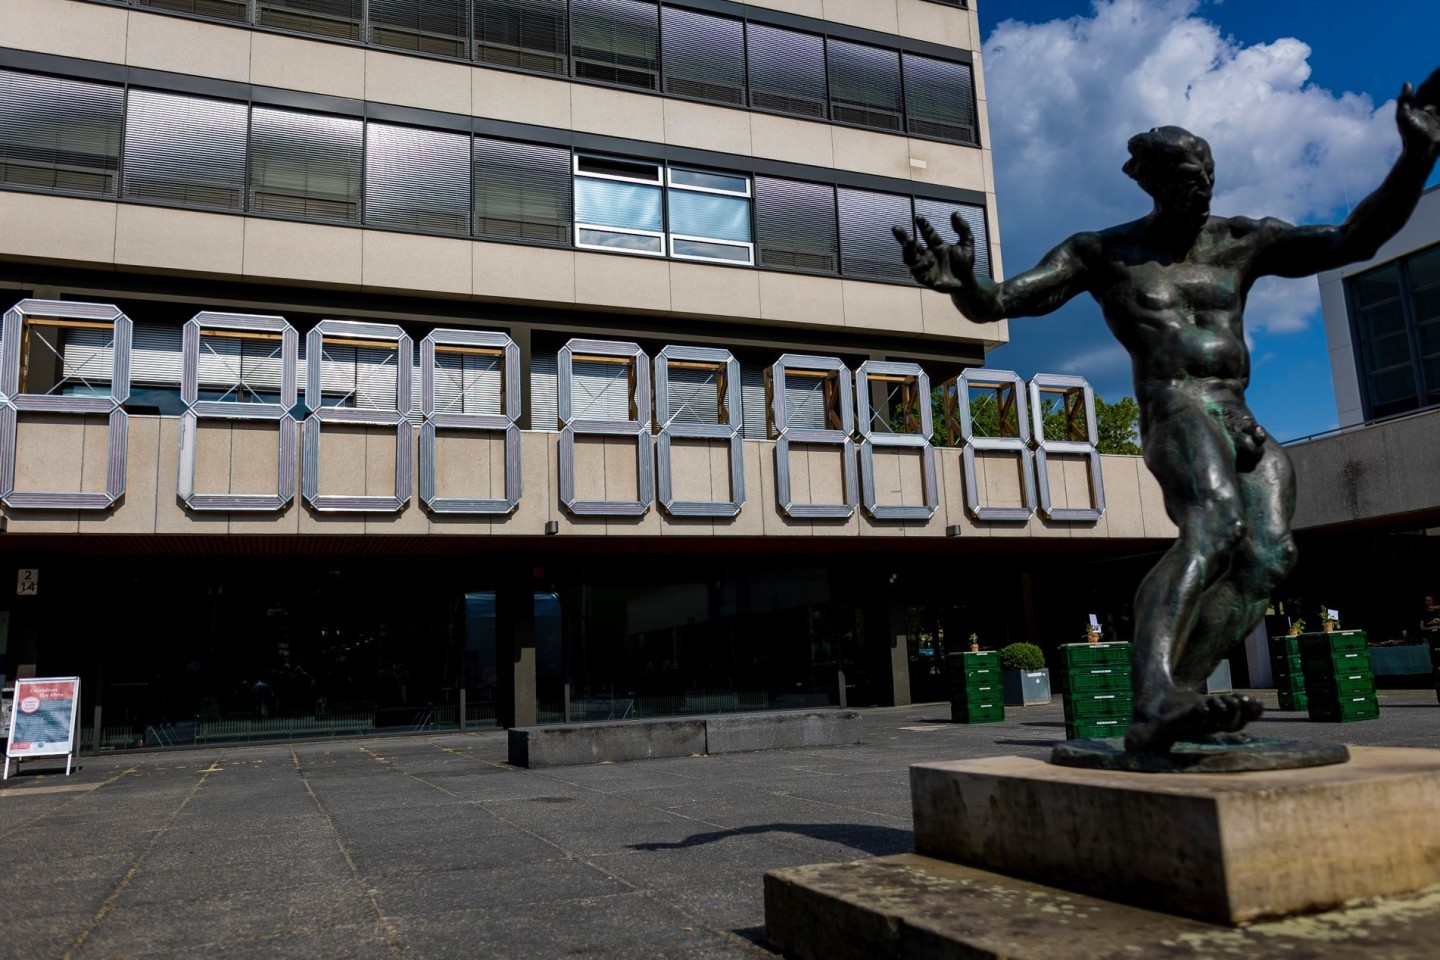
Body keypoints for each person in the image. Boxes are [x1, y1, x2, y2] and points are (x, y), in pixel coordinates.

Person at [894, 70, 1440, 752]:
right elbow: (1005, 301)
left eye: (1205, 180)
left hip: (1240, 415)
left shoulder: (1246, 240)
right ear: (1151, 184)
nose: (1199, 194)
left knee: (1269, 555)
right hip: (1176, 410)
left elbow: (1353, 241)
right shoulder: (1101, 252)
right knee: (1213, 531)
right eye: (1184, 183)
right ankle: (1155, 693)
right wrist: (964, 283)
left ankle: (1174, 698)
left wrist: (1417, 154)